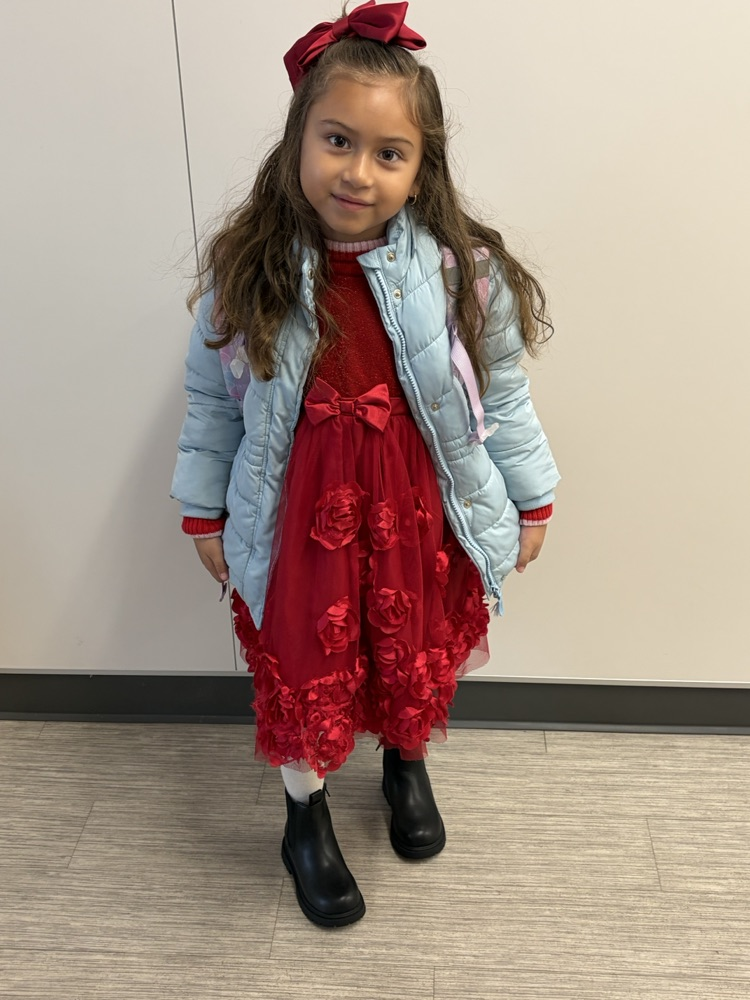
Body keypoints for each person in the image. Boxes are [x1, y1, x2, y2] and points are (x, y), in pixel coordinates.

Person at [171, 0, 560, 928]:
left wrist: (532, 496)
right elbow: (209, 404)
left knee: (406, 650)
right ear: (298, 139)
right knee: (306, 666)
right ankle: (304, 815)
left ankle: (404, 762)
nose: (359, 171)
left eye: (390, 153)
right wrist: (203, 510)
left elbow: (498, 396)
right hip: (299, 520)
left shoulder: (464, 273)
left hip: (414, 515)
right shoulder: (249, 272)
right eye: (338, 140)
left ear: (422, 168)